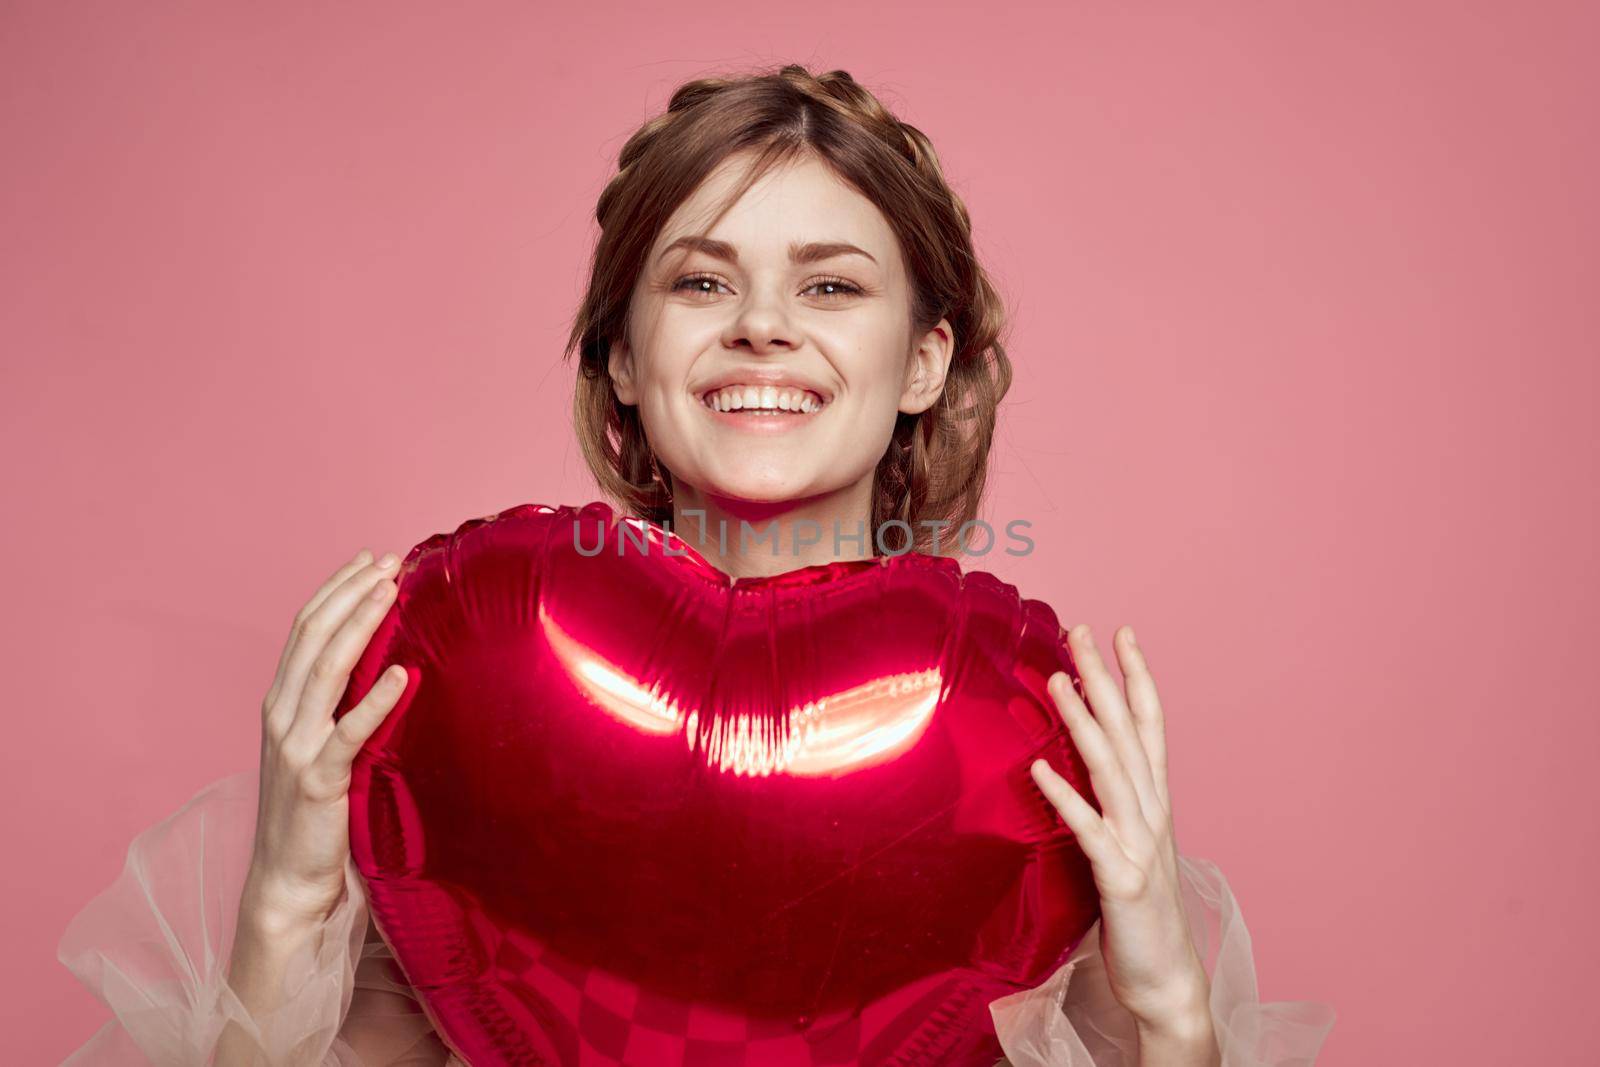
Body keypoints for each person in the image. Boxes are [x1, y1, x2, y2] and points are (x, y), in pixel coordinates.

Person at [56, 64, 1336, 1066]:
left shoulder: (1019, 738)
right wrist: (287, 900)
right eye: (700, 279)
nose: (763, 325)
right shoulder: (472, 698)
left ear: (927, 363)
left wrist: (1164, 1005)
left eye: (831, 286)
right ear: (620, 354)